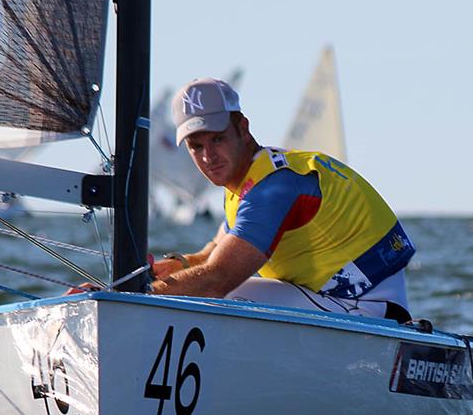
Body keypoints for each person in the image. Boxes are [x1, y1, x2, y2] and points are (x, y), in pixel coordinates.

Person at [149, 77, 416, 323]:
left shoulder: (273, 189)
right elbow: (210, 256)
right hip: (339, 303)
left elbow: (218, 277)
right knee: (195, 290)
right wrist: (172, 269)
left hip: (370, 311)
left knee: (215, 295)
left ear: (243, 128)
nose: (209, 156)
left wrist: (141, 298)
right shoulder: (248, 182)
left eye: (218, 139)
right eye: (196, 146)